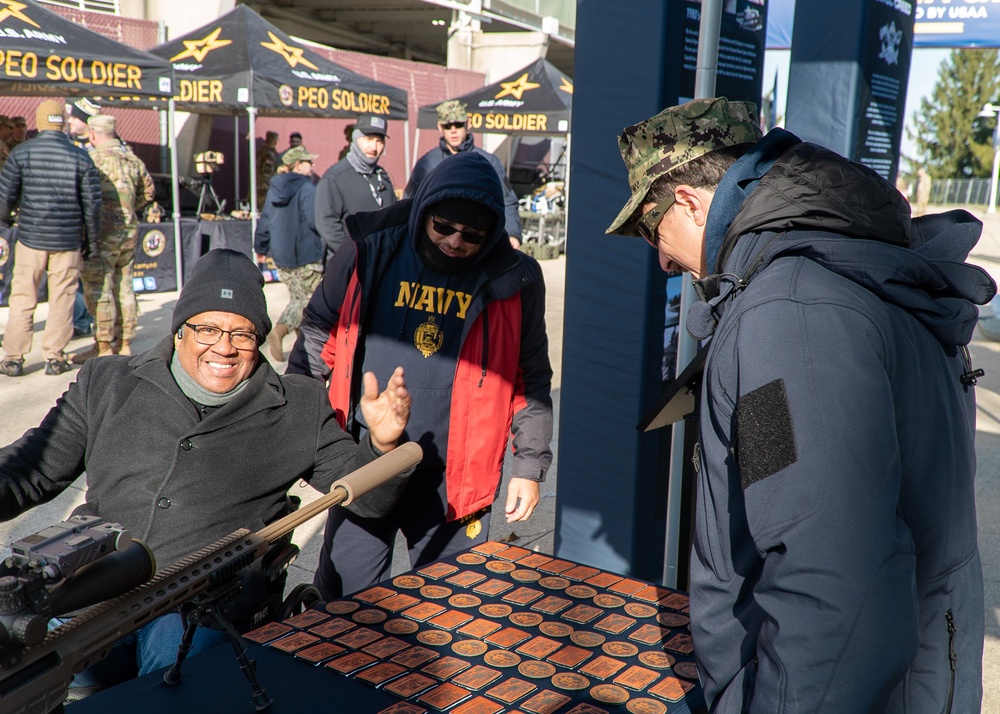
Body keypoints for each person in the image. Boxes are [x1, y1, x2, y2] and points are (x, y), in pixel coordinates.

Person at [605, 97, 992, 711]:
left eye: (653, 232)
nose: (660, 257)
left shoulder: (788, 316)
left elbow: (831, 581)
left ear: (687, 200)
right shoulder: (824, 275)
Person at [0, 248, 413, 689]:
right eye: (208, 329)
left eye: (243, 334)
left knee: (170, 682)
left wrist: (382, 444)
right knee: (27, 672)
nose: (225, 347)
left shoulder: (299, 406)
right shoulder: (106, 382)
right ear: (179, 332)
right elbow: (33, 468)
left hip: (203, 601)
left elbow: (366, 500)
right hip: (94, 580)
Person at [288, 151, 553, 599]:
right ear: (425, 210)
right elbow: (317, 338)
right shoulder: (369, 248)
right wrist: (296, 434)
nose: (454, 242)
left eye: (472, 236)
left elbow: (530, 378)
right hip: (367, 460)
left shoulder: (517, 277)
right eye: (443, 228)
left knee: (453, 609)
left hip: (456, 476)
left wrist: (529, 466)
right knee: (343, 606)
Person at [0, 100, 101, 377]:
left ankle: (13, 358)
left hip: (31, 236)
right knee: (63, 298)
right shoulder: (80, 156)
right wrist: (90, 242)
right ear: (62, 122)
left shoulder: (22, 153)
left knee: (22, 297)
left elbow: (5, 193)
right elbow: (93, 205)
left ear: (41, 122)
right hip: (67, 241)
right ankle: (54, 357)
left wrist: (6, 221)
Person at [73, 114, 155, 364]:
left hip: (100, 235)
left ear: (93, 135)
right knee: (125, 286)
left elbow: (82, 198)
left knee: (100, 288)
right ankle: (126, 342)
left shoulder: (91, 160)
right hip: (128, 233)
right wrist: (128, 210)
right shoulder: (133, 159)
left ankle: (104, 344)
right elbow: (148, 193)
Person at [405, 100, 522, 248]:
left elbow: (508, 201)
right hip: (436, 246)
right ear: (440, 127)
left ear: (468, 124)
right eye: (448, 126)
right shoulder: (426, 163)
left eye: (458, 124)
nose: (453, 130)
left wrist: (512, 233)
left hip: (475, 244)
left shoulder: (489, 163)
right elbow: (409, 203)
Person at [254, 145, 324, 361]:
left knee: (297, 297)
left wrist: (261, 247)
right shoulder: (307, 189)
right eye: (308, 162)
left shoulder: (275, 188)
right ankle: (280, 331)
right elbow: (316, 221)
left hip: (282, 256)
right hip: (306, 255)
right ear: (298, 165)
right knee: (308, 300)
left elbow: (265, 218)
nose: (312, 165)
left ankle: (304, 346)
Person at [314, 113, 395, 262]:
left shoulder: (383, 177)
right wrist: (355, 253)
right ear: (356, 138)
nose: (374, 147)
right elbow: (327, 224)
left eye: (379, 141)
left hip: (384, 264)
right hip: (350, 267)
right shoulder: (334, 178)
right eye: (368, 139)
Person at [253, 130, 281, 210]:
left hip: (259, 186)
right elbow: (266, 171)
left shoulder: (261, 151)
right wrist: (266, 186)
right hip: (264, 187)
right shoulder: (268, 154)